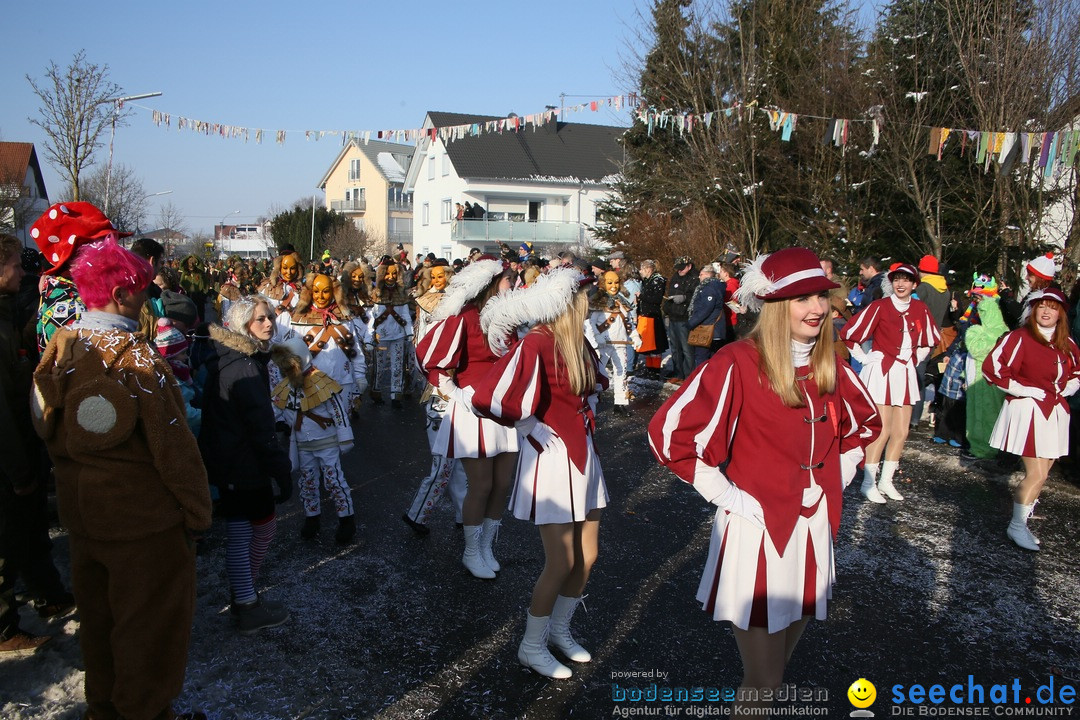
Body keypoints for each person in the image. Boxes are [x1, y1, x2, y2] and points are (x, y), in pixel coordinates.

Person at [648, 248, 879, 712]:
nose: (817, 308)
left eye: (821, 296)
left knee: (773, 679)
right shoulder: (737, 361)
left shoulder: (828, 362)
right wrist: (725, 494)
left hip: (813, 530)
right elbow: (668, 433)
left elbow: (866, 425)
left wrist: (838, 471)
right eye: (802, 299)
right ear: (774, 306)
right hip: (757, 533)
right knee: (765, 682)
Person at [31, 237, 212, 720]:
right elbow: (173, 448)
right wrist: (197, 510)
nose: (148, 296)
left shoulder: (60, 351)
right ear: (119, 295)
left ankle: (104, 708)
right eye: (140, 289)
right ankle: (145, 711)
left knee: (100, 621)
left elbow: (47, 428)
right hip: (141, 522)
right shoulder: (136, 359)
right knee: (148, 628)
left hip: (85, 518)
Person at [473, 268, 608, 679]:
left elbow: (595, 384)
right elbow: (487, 397)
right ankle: (531, 646)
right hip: (553, 460)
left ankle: (559, 632)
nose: (589, 302)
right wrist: (530, 424)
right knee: (561, 560)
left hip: (584, 453)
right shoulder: (536, 343)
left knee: (587, 557)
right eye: (583, 296)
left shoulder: (576, 339)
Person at [415, 256, 518, 579]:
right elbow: (429, 357)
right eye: (507, 281)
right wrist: (456, 393)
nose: (513, 287)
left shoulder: (511, 318)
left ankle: (487, 547)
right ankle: (471, 552)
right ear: (489, 284)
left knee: (502, 484)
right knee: (482, 484)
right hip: (474, 411)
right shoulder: (465, 317)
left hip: (504, 411)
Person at [199, 295, 293, 631]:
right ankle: (245, 600)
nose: (269, 324)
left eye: (270, 317)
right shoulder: (244, 365)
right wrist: (282, 470)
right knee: (255, 530)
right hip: (242, 463)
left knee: (248, 530)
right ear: (243, 327)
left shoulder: (241, 357)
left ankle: (245, 593)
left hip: (233, 460)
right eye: (260, 320)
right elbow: (260, 427)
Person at [0, 234, 74, 655]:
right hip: (9, 454)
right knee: (6, 540)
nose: (23, 271)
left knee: (29, 530)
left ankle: (49, 593)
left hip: (25, 445)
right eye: (14, 264)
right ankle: (4, 627)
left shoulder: (10, 313)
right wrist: (19, 469)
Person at [983, 288, 1080, 550]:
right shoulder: (1020, 338)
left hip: (1055, 411)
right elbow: (992, 369)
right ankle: (1016, 527)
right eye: (1041, 306)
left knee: (1044, 473)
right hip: (1027, 410)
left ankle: (1021, 523)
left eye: (1053, 307)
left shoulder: (1067, 343)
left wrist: (1069, 388)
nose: (1047, 312)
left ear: (1061, 313)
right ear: (1033, 310)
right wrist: (1023, 389)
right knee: (1035, 473)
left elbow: (1076, 372)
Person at [841, 263, 941, 503]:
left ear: (914, 284)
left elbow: (930, 339)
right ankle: (868, 482)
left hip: (904, 374)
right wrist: (865, 358)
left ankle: (886, 480)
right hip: (882, 373)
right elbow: (850, 333)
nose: (901, 284)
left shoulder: (920, 308)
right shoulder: (880, 306)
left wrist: (917, 357)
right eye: (897, 279)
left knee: (901, 431)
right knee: (882, 430)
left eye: (906, 280)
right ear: (891, 282)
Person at [403, 260, 467, 536]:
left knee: (461, 465)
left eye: (444, 276)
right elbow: (421, 347)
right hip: (438, 390)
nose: (439, 280)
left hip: (460, 392)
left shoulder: (462, 306)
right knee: (443, 464)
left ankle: (466, 517)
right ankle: (417, 514)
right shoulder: (425, 303)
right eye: (435, 275)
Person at [32, 202, 132, 354]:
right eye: (105, 249)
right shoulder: (71, 309)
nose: (115, 257)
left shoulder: (74, 294)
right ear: (77, 256)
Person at [585, 271, 639, 413]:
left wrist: (635, 336)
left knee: (621, 372)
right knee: (597, 372)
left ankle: (620, 403)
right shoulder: (598, 303)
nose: (614, 286)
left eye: (616, 282)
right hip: (603, 345)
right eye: (610, 283)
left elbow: (628, 323)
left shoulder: (623, 302)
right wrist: (597, 338)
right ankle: (592, 398)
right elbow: (590, 323)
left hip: (621, 344)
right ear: (604, 284)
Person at [368, 260, 413, 408]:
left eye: (394, 273)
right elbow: (371, 317)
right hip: (381, 336)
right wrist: (370, 335)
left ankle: (396, 395)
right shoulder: (375, 294)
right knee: (379, 365)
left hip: (399, 335)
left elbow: (406, 315)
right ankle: (376, 392)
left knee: (398, 365)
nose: (391, 276)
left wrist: (409, 334)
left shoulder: (402, 294)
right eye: (387, 273)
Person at [663, 257, 697, 382]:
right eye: (678, 268)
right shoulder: (675, 277)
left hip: (684, 317)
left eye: (682, 268)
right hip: (673, 316)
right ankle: (678, 373)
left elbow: (695, 296)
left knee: (686, 348)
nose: (679, 271)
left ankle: (689, 375)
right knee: (675, 348)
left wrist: (685, 298)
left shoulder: (694, 278)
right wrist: (666, 311)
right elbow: (669, 295)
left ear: (689, 266)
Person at [687, 265, 727, 367]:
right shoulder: (716, 286)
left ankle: (702, 380)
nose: (699, 277)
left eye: (701, 274)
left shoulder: (709, 288)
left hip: (707, 329)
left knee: (701, 358)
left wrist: (691, 323)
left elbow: (706, 309)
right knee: (712, 357)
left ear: (707, 275)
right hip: (714, 329)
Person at [635, 259, 668, 372]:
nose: (640, 272)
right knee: (647, 345)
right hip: (645, 315)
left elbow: (657, 299)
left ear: (648, 269)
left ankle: (655, 369)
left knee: (655, 346)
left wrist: (641, 296)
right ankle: (649, 367)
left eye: (642, 269)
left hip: (653, 316)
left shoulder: (657, 280)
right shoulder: (647, 280)